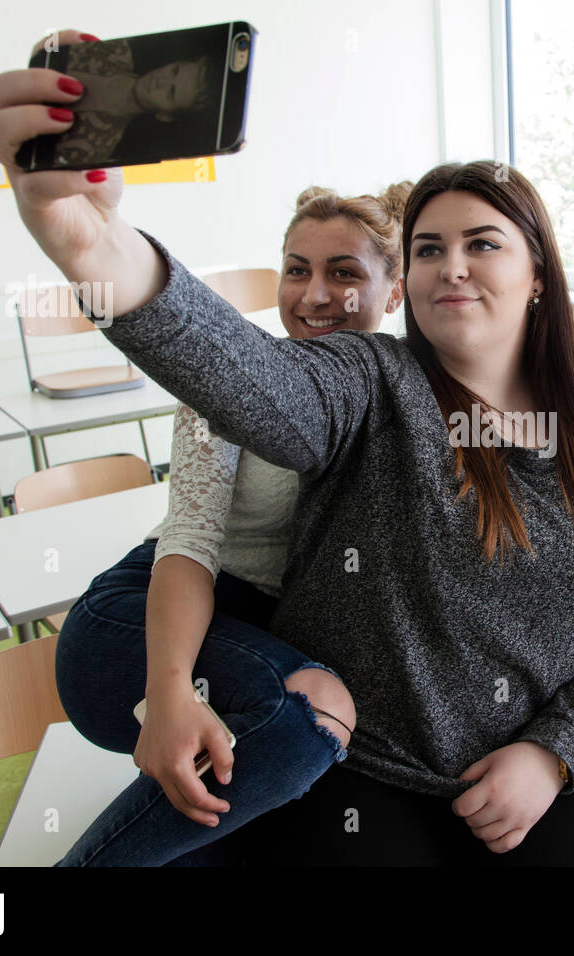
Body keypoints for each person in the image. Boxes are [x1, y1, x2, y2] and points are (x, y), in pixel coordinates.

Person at [0, 30, 574, 865]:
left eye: (482, 243)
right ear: (405, 282)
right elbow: (250, 382)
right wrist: (90, 245)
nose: (451, 266)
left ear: (538, 276)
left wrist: (556, 752)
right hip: (367, 766)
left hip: (537, 769)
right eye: (426, 249)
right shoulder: (370, 379)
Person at [49, 182, 407, 867]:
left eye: (345, 273)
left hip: (260, 645)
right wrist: (170, 689)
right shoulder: (236, 380)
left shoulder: (404, 397)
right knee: (317, 716)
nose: (313, 294)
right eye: (296, 269)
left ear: (393, 293)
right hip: (148, 623)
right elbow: (187, 547)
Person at [54, 39, 217, 167]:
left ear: (165, 115)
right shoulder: (113, 49)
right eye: (174, 71)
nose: (162, 81)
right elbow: (50, 46)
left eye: (171, 92)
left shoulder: (96, 147)